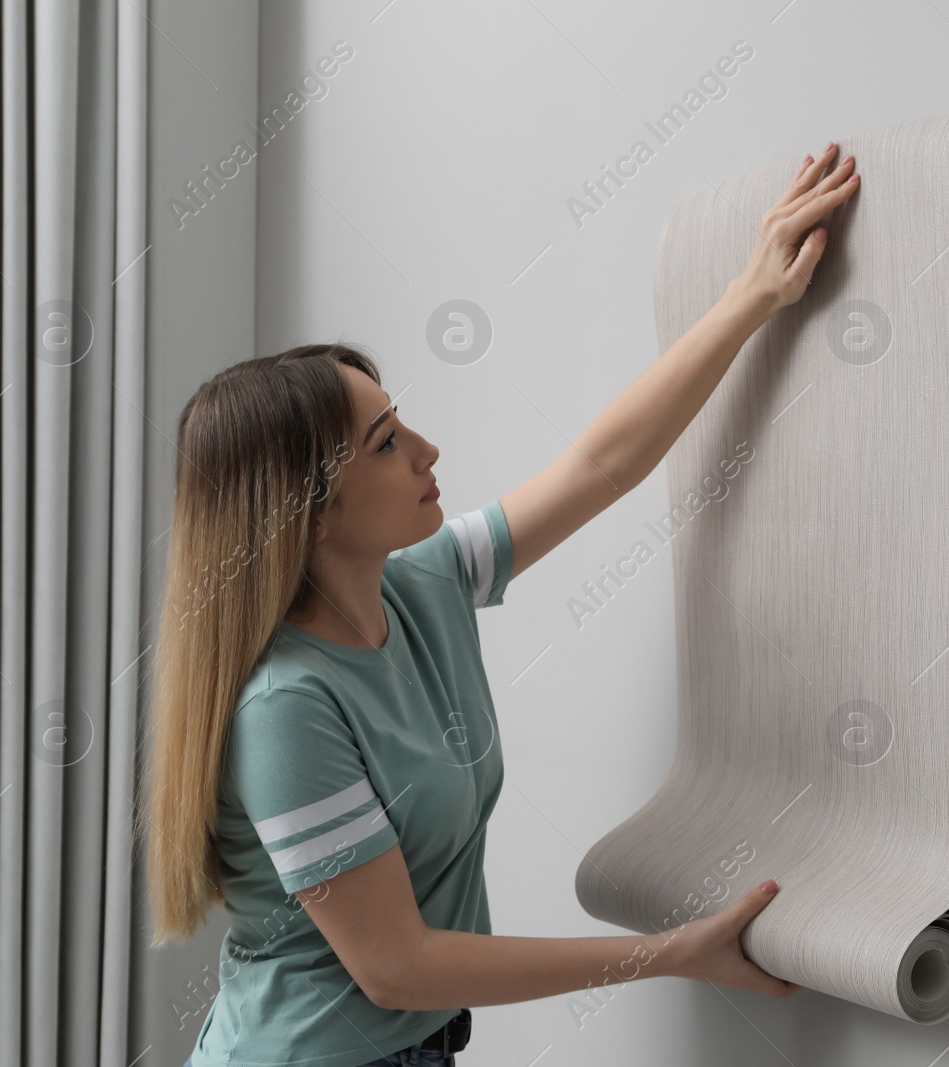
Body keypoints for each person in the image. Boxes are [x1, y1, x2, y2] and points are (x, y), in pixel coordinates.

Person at [146, 143, 860, 1067]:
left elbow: (600, 465)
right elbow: (396, 968)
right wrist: (670, 955)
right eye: (388, 443)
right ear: (310, 515)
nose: (429, 450)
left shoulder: (423, 584)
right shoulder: (286, 709)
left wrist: (750, 298)